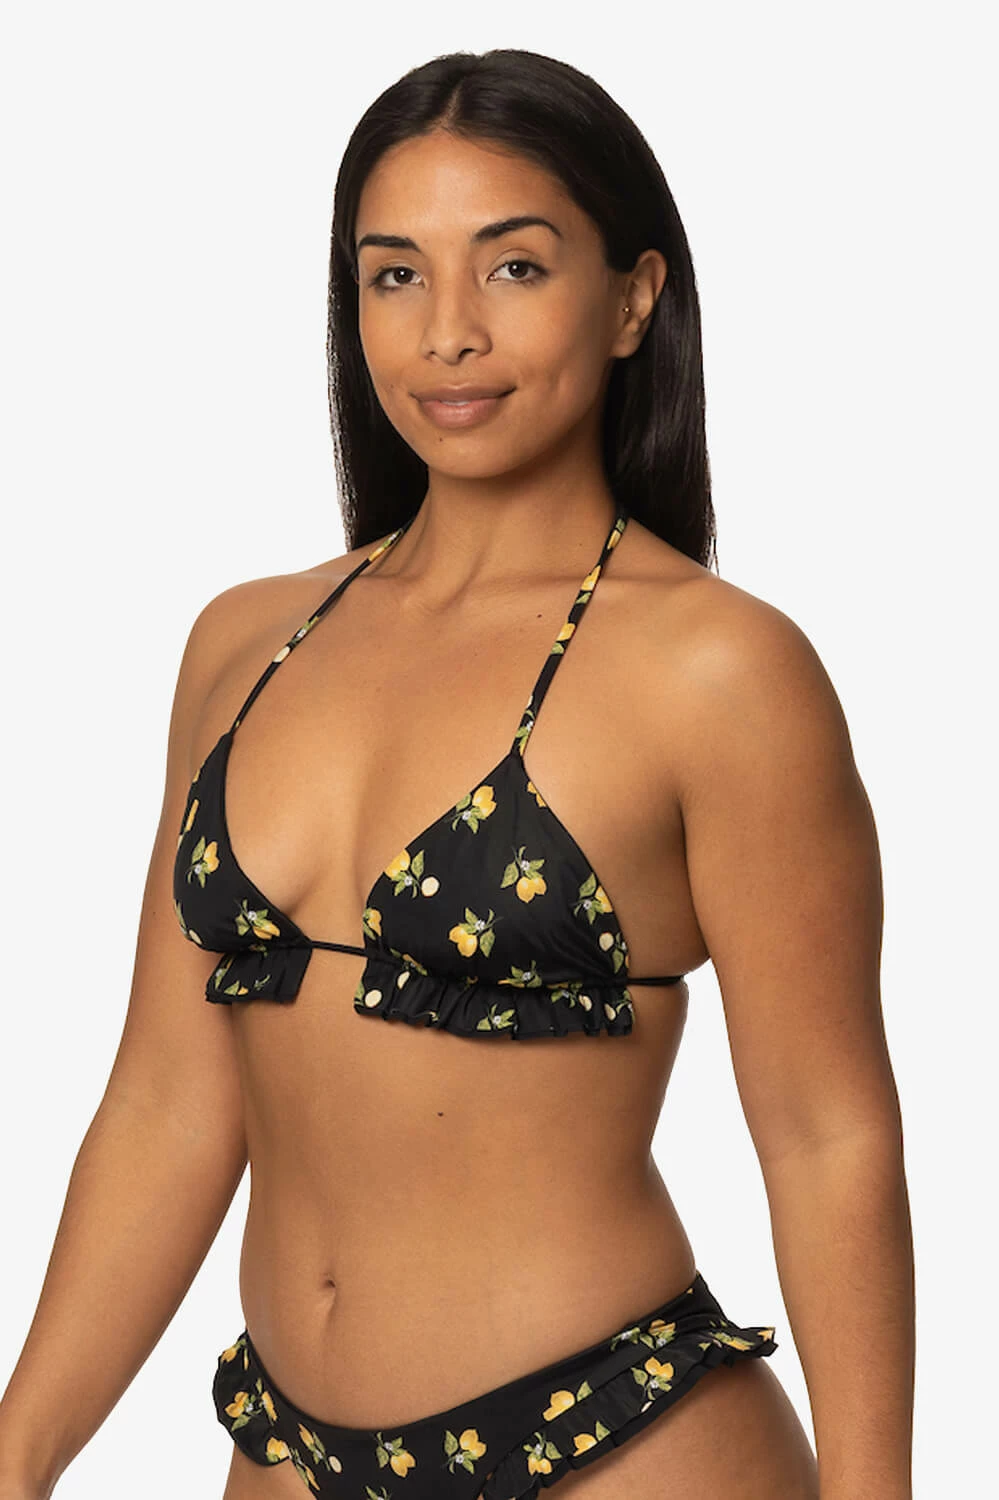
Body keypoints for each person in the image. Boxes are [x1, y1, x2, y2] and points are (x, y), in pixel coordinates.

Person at [0, 47, 914, 1500]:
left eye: (513, 268)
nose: (447, 334)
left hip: (616, 1449)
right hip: (287, 1454)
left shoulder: (720, 672)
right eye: (394, 276)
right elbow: (167, 1105)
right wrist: (18, 1452)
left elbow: (826, 1135)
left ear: (632, 300)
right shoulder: (247, 643)